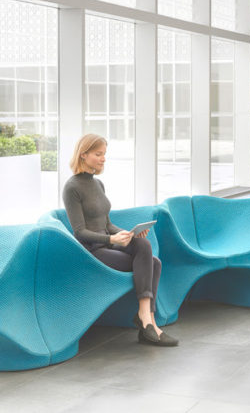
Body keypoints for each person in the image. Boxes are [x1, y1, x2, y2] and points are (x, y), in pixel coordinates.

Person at [63, 133, 178, 347]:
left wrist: (127, 234)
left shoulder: (98, 184)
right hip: (93, 252)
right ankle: (148, 322)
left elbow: (107, 223)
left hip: (109, 243)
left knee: (143, 245)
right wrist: (111, 239)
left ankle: (147, 318)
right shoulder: (72, 188)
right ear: (83, 154)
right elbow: (79, 232)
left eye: (104, 154)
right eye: (98, 154)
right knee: (153, 264)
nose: (103, 158)